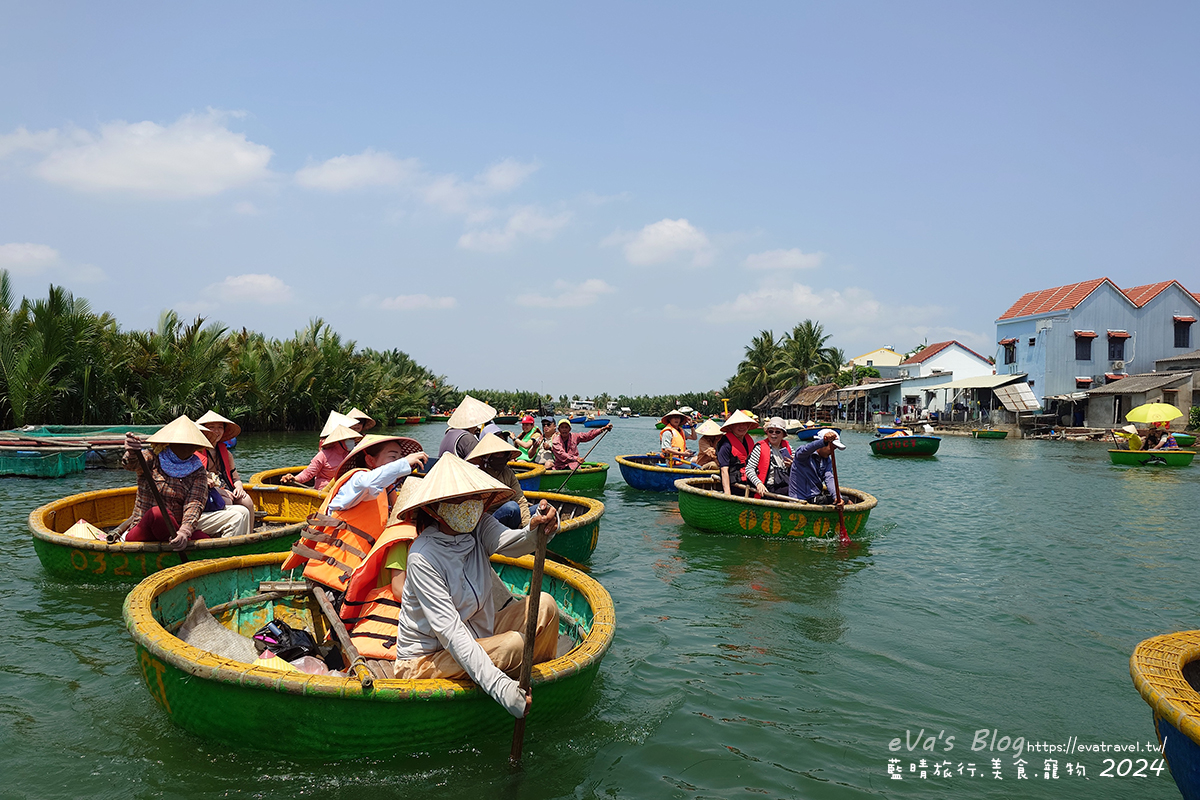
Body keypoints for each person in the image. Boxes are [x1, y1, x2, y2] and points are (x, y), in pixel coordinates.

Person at [391, 453, 561, 720]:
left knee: (546, 606)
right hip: (428, 660)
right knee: (512, 646)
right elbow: (452, 634)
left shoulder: (478, 526)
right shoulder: (423, 557)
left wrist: (540, 528)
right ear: (436, 507)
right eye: (458, 500)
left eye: (472, 497)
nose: (469, 505)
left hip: (479, 637)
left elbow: (516, 542)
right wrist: (503, 689)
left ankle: (531, 692)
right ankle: (508, 692)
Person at [283, 434, 428, 596]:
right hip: (332, 576)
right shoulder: (357, 480)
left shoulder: (386, 491)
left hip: (353, 574)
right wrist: (404, 463)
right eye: (393, 457)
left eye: (400, 457)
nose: (399, 461)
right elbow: (368, 482)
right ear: (370, 461)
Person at [121, 415, 252, 548]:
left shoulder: (197, 469)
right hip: (146, 528)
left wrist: (185, 531)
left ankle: (227, 558)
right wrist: (132, 452)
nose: (188, 446)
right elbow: (132, 464)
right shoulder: (152, 458)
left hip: (177, 528)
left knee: (205, 540)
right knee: (158, 513)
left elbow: (195, 503)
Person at [195, 410, 255, 518]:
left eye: (220, 427)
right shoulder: (195, 452)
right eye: (211, 427)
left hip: (226, 488)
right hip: (206, 490)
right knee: (227, 501)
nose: (216, 431)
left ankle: (249, 534)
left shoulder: (226, 454)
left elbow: (235, 478)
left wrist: (239, 488)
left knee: (247, 501)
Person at [468, 433, 530, 528]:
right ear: (487, 456)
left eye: (503, 453)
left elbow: (519, 498)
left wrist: (526, 524)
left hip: (512, 515)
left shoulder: (508, 472)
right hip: (489, 520)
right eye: (496, 454)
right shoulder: (478, 475)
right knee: (512, 507)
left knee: (542, 509)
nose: (500, 456)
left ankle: (520, 533)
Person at [282, 424, 362, 490]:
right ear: (339, 441)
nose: (352, 441)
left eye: (352, 439)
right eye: (349, 439)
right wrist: (295, 479)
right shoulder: (323, 455)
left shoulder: (351, 454)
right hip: (324, 490)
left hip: (344, 489)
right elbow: (308, 473)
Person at [788, 429, 846, 506]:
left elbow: (829, 478)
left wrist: (837, 497)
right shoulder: (802, 455)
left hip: (815, 498)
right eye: (831, 448)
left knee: (845, 500)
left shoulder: (826, 461)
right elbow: (808, 448)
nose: (832, 452)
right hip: (800, 499)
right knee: (847, 501)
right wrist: (823, 441)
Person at [746, 417, 793, 497]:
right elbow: (749, 469)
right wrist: (758, 483)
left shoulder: (789, 448)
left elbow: (798, 469)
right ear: (767, 433)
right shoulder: (759, 448)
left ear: (783, 435)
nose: (773, 434)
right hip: (768, 488)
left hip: (786, 484)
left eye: (777, 432)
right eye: (771, 431)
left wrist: (792, 465)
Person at [716, 410, 758, 495]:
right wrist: (727, 493)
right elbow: (724, 470)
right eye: (738, 424)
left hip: (750, 480)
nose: (742, 427)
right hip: (735, 484)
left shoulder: (748, 440)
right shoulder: (726, 445)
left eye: (744, 424)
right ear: (731, 427)